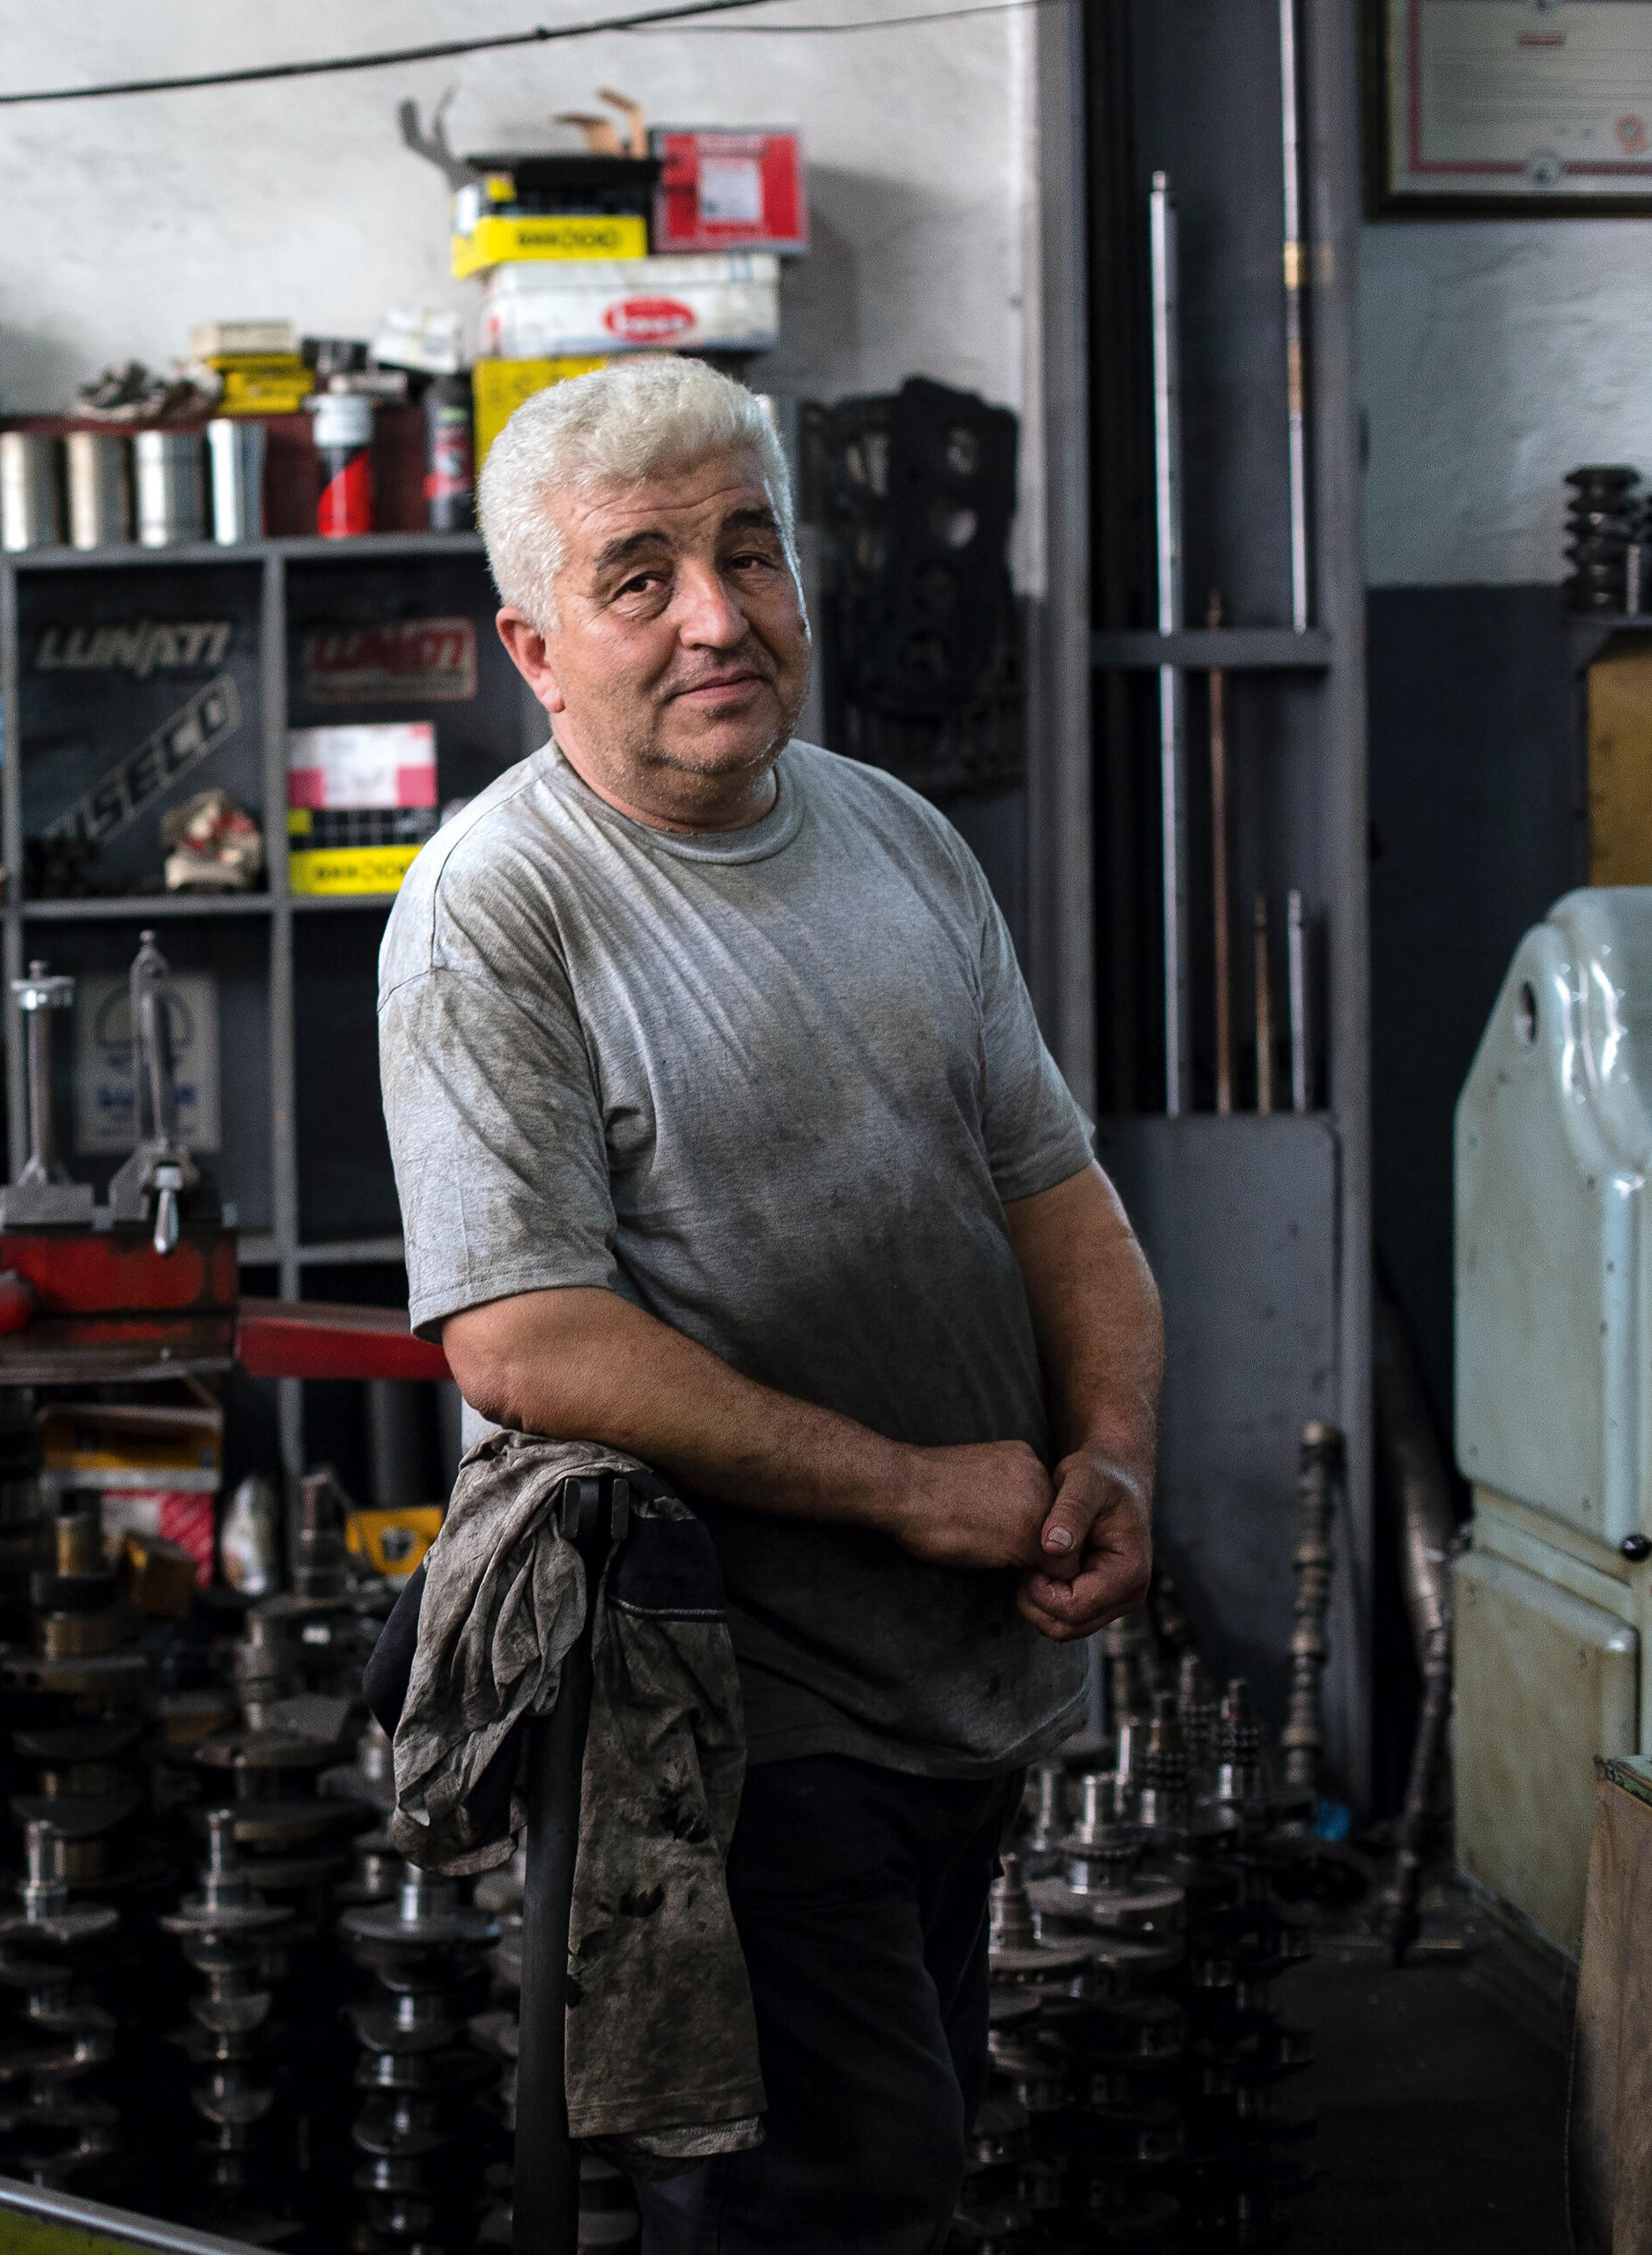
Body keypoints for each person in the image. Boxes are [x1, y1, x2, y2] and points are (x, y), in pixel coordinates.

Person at [377, 357, 1163, 2254]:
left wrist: (1111, 1455)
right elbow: (522, 1334)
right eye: (638, 574)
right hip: (731, 1704)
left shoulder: (896, 834)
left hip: (962, 1671)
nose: (717, 613)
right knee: (836, 2195)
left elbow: (1057, 1190)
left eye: (750, 551)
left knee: (910, 2141)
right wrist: (908, 1485)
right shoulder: (497, 906)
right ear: (537, 647)